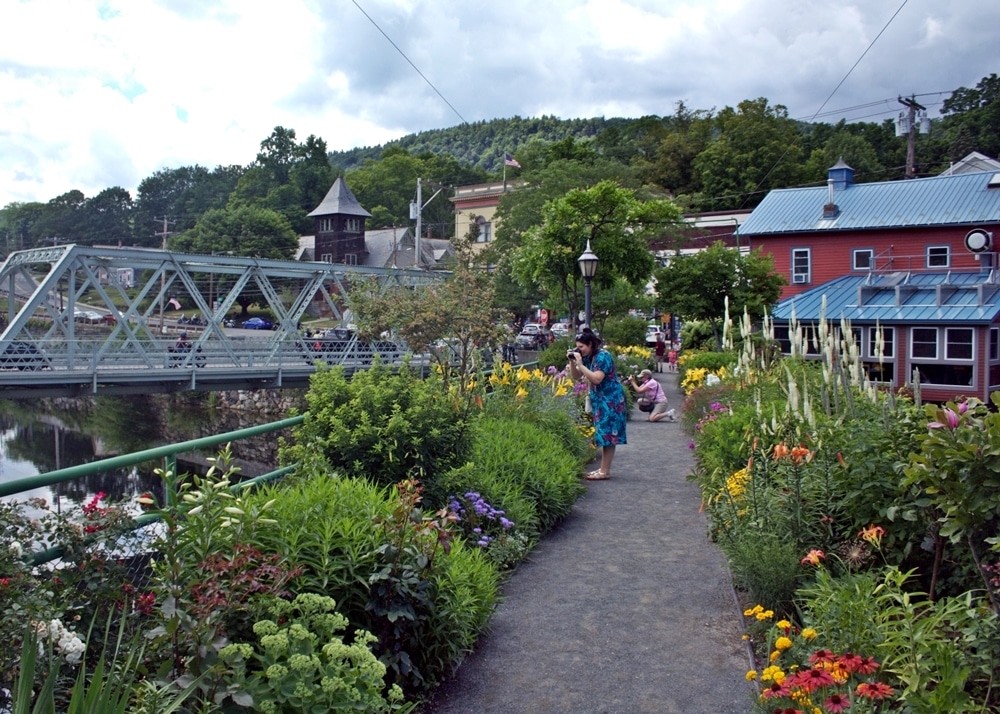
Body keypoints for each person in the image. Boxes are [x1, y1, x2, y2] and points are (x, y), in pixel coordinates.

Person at [566, 327, 627, 481]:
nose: (579, 350)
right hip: (600, 400)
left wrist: (580, 363)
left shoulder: (603, 357)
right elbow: (576, 376)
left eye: (581, 347)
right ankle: (603, 469)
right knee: (602, 433)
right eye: (577, 347)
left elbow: (596, 378)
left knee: (608, 434)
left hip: (611, 399)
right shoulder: (589, 357)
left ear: (591, 345)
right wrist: (573, 362)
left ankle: (605, 471)